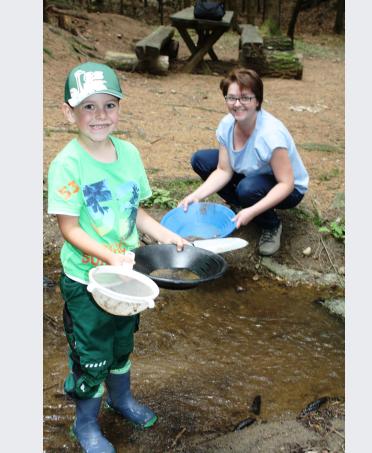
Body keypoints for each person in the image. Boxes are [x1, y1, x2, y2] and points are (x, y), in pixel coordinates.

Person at [47, 62, 186, 453]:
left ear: (120, 109)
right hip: (86, 281)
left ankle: (120, 399)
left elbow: (135, 211)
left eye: (109, 105)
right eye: (88, 107)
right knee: (92, 353)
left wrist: (166, 235)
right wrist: (109, 255)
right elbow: (69, 229)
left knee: (122, 343)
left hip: (126, 276)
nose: (99, 115)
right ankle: (86, 423)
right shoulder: (67, 165)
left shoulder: (129, 154)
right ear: (68, 112)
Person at [180, 68, 309, 256]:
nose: (237, 104)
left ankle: (271, 225)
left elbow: (287, 184)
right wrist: (196, 196)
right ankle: (241, 206)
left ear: (257, 100)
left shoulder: (270, 135)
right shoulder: (227, 125)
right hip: (255, 176)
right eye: (231, 98)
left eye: (245, 98)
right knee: (201, 160)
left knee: (247, 189)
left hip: (289, 189)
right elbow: (224, 170)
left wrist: (253, 211)